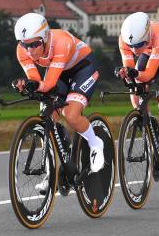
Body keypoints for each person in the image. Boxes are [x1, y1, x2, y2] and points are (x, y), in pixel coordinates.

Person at [12, 13, 104, 193]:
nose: (30, 50)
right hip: (59, 72)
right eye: (25, 45)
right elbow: (35, 79)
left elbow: (49, 84)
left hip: (83, 68)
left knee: (70, 114)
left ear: (45, 37)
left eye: (35, 44)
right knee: (48, 114)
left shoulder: (60, 42)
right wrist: (26, 84)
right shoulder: (21, 50)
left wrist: (35, 86)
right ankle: (51, 171)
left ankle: (95, 143)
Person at [117, 12, 159, 183]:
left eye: (139, 44)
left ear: (147, 35)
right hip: (149, 55)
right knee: (135, 96)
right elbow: (130, 71)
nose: (134, 50)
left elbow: (147, 75)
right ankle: (151, 127)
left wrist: (134, 73)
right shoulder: (125, 39)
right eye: (131, 45)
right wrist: (126, 73)